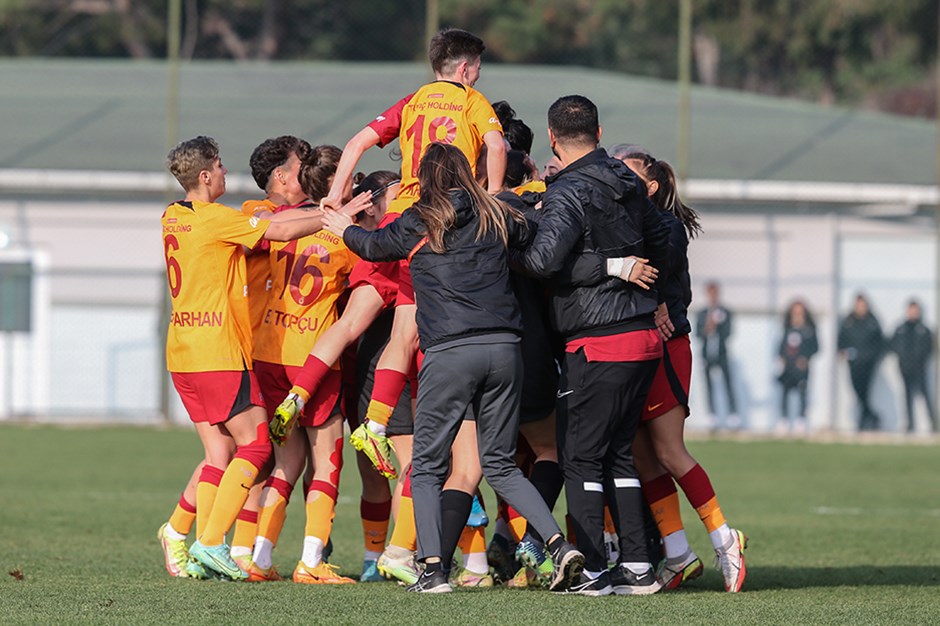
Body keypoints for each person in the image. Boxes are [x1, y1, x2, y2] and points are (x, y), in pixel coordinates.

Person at [322, 142, 584, 594]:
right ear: (467, 173)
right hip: (506, 349)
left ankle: (433, 570)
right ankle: (557, 546)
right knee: (500, 465)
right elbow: (536, 236)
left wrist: (343, 226)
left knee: (425, 467)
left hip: (449, 352)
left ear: (424, 180)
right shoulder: (496, 213)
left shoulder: (419, 219)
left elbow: (372, 246)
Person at [275, 28, 505, 483]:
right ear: (464, 69)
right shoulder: (473, 103)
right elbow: (496, 146)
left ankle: (297, 395)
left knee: (350, 324)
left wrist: (337, 195)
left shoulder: (413, 100)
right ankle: (378, 422)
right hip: (434, 226)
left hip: (393, 221)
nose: (478, 76)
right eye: (477, 68)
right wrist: (493, 199)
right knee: (407, 334)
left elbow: (358, 142)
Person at [160, 136, 354, 580]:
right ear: (205, 176)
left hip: (183, 350)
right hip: (219, 351)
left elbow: (263, 221)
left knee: (220, 452)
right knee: (258, 446)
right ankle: (213, 543)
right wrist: (333, 213)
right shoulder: (221, 219)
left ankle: (182, 535)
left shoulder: (173, 215)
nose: (228, 172)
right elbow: (281, 230)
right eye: (221, 165)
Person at [514, 96, 670, 596]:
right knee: (618, 456)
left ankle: (595, 572)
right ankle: (641, 567)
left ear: (552, 137)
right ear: (600, 133)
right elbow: (663, 237)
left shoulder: (567, 192)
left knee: (579, 458)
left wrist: (508, 235)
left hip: (599, 340)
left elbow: (542, 262)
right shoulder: (627, 180)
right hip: (643, 335)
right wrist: (659, 293)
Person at [611, 146, 748, 593]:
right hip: (637, 345)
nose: (618, 180)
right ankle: (677, 553)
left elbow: (656, 274)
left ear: (650, 186)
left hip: (667, 347)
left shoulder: (664, 226)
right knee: (640, 455)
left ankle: (724, 537)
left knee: (669, 451)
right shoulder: (626, 222)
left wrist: (658, 304)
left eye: (627, 174)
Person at [695, 282, 741, 430]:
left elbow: (729, 333)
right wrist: (709, 326)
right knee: (709, 384)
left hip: (721, 353)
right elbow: (698, 334)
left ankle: (732, 415)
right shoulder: (702, 313)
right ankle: (712, 415)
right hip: (707, 354)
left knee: (728, 383)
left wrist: (718, 326)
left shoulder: (725, 311)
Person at [838, 293, 885, 432]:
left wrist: (873, 357)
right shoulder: (848, 321)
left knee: (865, 391)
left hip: (868, 364)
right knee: (858, 391)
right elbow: (841, 340)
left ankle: (864, 421)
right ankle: (871, 416)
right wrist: (842, 351)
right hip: (853, 363)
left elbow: (880, 343)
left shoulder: (872, 321)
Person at [889, 299, 938, 433]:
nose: (913, 313)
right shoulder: (900, 328)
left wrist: (920, 360)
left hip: (920, 369)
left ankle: (933, 424)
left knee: (926, 396)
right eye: (911, 310)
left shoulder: (924, 329)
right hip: (905, 368)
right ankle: (910, 424)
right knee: (907, 397)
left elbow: (929, 348)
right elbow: (893, 345)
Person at [777, 299, 818, 436]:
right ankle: (784, 420)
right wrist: (781, 357)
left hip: (801, 368)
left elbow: (815, 347)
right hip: (788, 367)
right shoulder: (787, 329)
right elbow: (781, 346)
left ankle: (801, 420)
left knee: (802, 392)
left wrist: (806, 358)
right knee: (785, 392)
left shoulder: (809, 330)